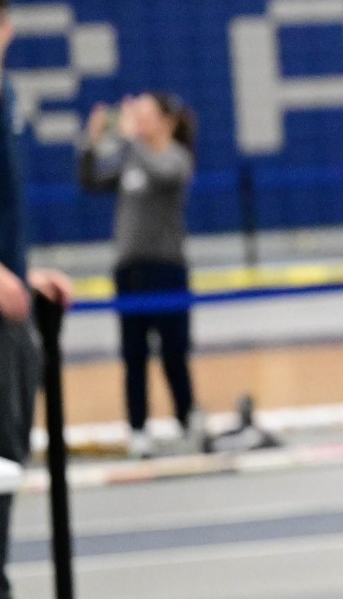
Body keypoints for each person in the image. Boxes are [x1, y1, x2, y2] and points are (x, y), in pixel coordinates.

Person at [0, 0, 74, 599]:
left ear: (6, 30)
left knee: (1, 470)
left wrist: (20, 271)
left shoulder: (3, 102)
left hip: (7, 325)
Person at [78, 93, 200, 458]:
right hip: (129, 272)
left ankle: (187, 419)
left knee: (174, 351)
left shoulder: (176, 158)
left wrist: (132, 138)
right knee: (133, 355)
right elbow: (91, 181)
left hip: (167, 268)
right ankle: (138, 429)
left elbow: (163, 174)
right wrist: (92, 141)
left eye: (146, 116)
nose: (139, 122)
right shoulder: (131, 160)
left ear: (167, 121)